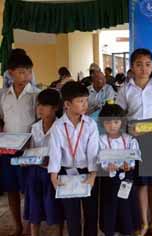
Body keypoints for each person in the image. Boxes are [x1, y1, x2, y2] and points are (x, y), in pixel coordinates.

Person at [116, 48, 152, 236]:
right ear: (132, 67)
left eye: (147, 64)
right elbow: (119, 118)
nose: (143, 68)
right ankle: (143, 223)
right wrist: (128, 130)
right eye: (139, 64)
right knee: (141, 184)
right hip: (135, 141)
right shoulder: (124, 89)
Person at [48, 81, 100, 236]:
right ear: (67, 104)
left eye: (86, 100)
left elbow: (93, 151)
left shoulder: (91, 124)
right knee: (72, 215)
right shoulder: (58, 126)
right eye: (80, 101)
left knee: (91, 213)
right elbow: (55, 151)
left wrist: (93, 174)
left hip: (87, 172)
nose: (85, 104)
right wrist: (53, 175)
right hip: (66, 173)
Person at [0, 53, 39, 236]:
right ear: (11, 73)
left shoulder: (35, 95)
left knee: (30, 190)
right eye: (22, 72)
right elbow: (1, 120)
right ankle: (17, 226)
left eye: (29, 72)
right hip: (8, 151)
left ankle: (31, 226)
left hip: (29, 150)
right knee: (11, 189)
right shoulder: (3, 96)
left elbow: (41, 122)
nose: (26, 76)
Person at [24, 89, 64, 236]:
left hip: (53, 172)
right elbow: (31, 150)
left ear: (55, 108)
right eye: (38, 105)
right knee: (34, 204)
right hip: (35, 172)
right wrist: (25, 160)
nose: (40, 108)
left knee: (54, 204)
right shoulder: (34, 128)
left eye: (45, 105)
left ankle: (58, 232)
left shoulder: (60, 127)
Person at [98, 103, 141, 236]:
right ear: (102, 123)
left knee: (126, 207)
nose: (112, 126)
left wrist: (129, 164)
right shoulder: (101, 140)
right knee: (110, 206)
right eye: (108, 122)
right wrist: (106, 165)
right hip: (109, 181)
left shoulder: (129, 139)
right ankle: (110, 231)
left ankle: (127, 231)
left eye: (116, 122)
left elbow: (134, 155)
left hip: (126, 178)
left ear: (122, 122)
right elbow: (99, 157)